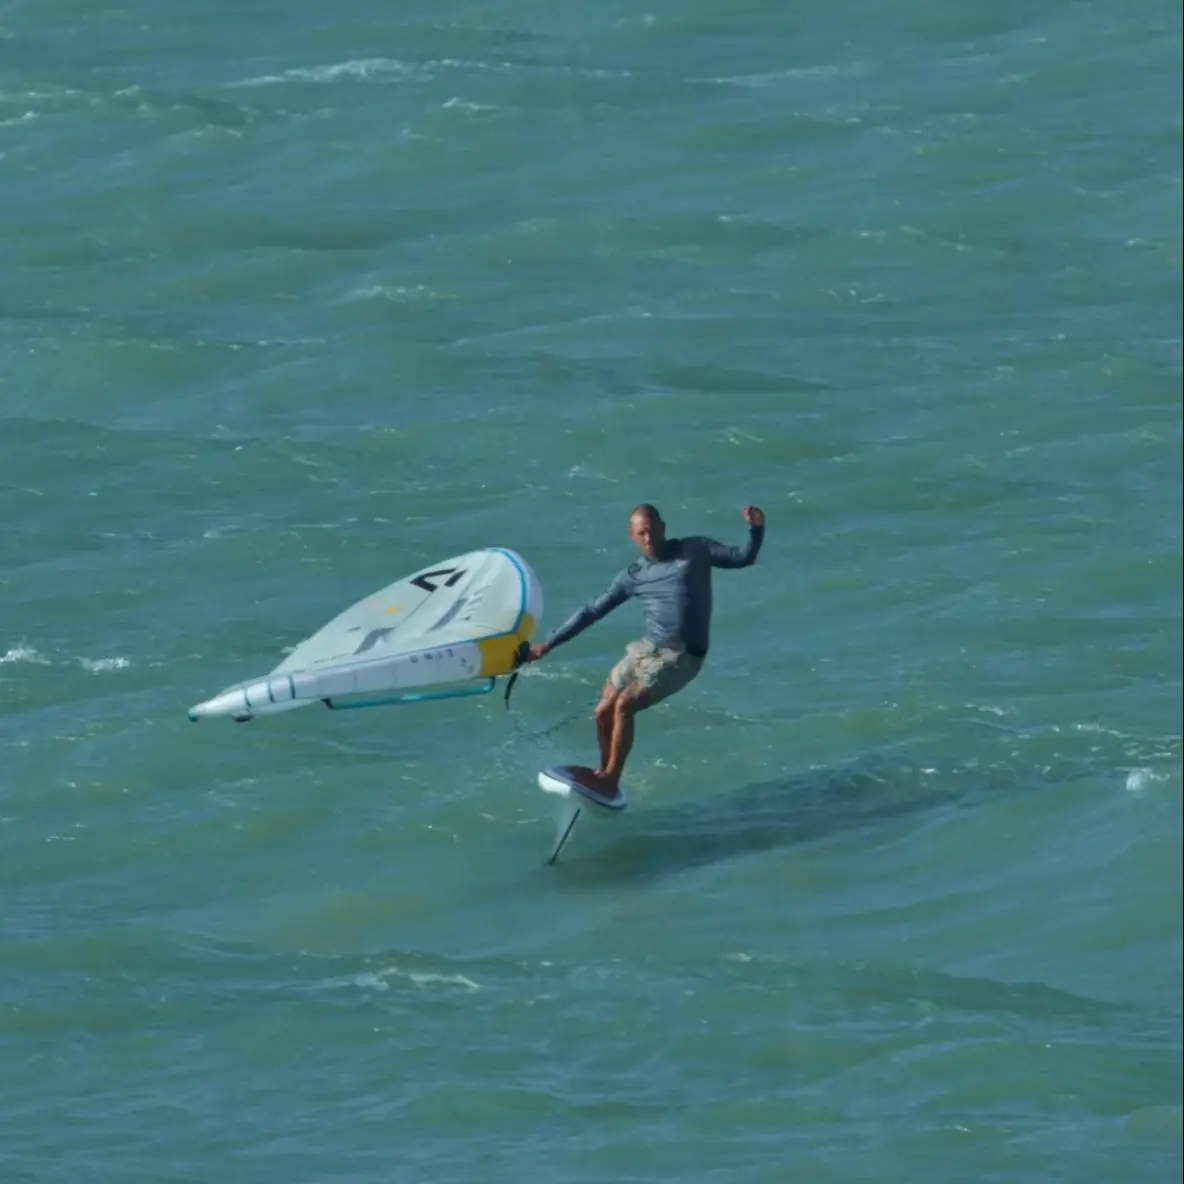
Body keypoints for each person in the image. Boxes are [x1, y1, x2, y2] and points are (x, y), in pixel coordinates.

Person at [526, 503, 765, 797]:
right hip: (647, 649)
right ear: (633, 537)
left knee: (625, 705)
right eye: (641, 534)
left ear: (663, 527)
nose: (648, 538)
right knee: (603, 710)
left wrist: (756, 529)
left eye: (651, 531)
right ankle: (603, 773)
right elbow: (592, 611)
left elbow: (743, 557)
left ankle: (610, 780)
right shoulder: (633, 575)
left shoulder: (696, 549)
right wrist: (547, 644)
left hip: (682, 655)